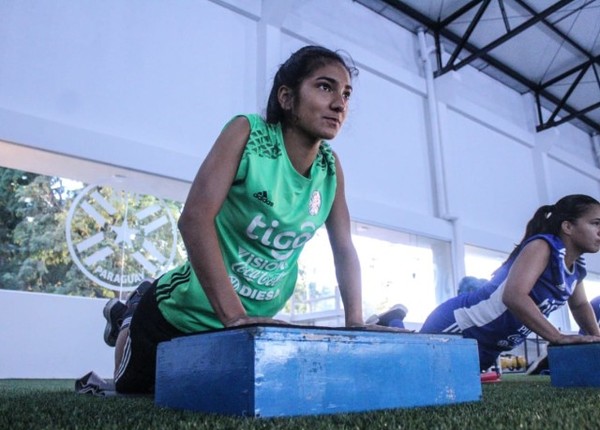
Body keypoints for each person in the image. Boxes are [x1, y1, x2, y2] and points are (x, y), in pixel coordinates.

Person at [103, 45, 400, 394]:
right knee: (130, 390)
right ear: (287, 98)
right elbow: (194, 219)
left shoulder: (330, 168)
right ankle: (130, 312)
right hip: (182, 314)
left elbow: (343, 248)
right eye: (325, 87)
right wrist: (234, 317)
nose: (340, 103)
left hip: (246, 327)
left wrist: (355, 321)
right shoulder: (248, 134)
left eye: (346, 93)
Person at [374, 194, 600, 372]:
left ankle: (394, 321)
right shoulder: (542, 247)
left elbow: (579, 306)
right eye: (595, 223)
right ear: (568, 226)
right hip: (459, 327)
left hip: (490, 346)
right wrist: (558, 337)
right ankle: (392, 321)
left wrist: (596, 338)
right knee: (402, 367)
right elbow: (514, 296)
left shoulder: (576, 268)